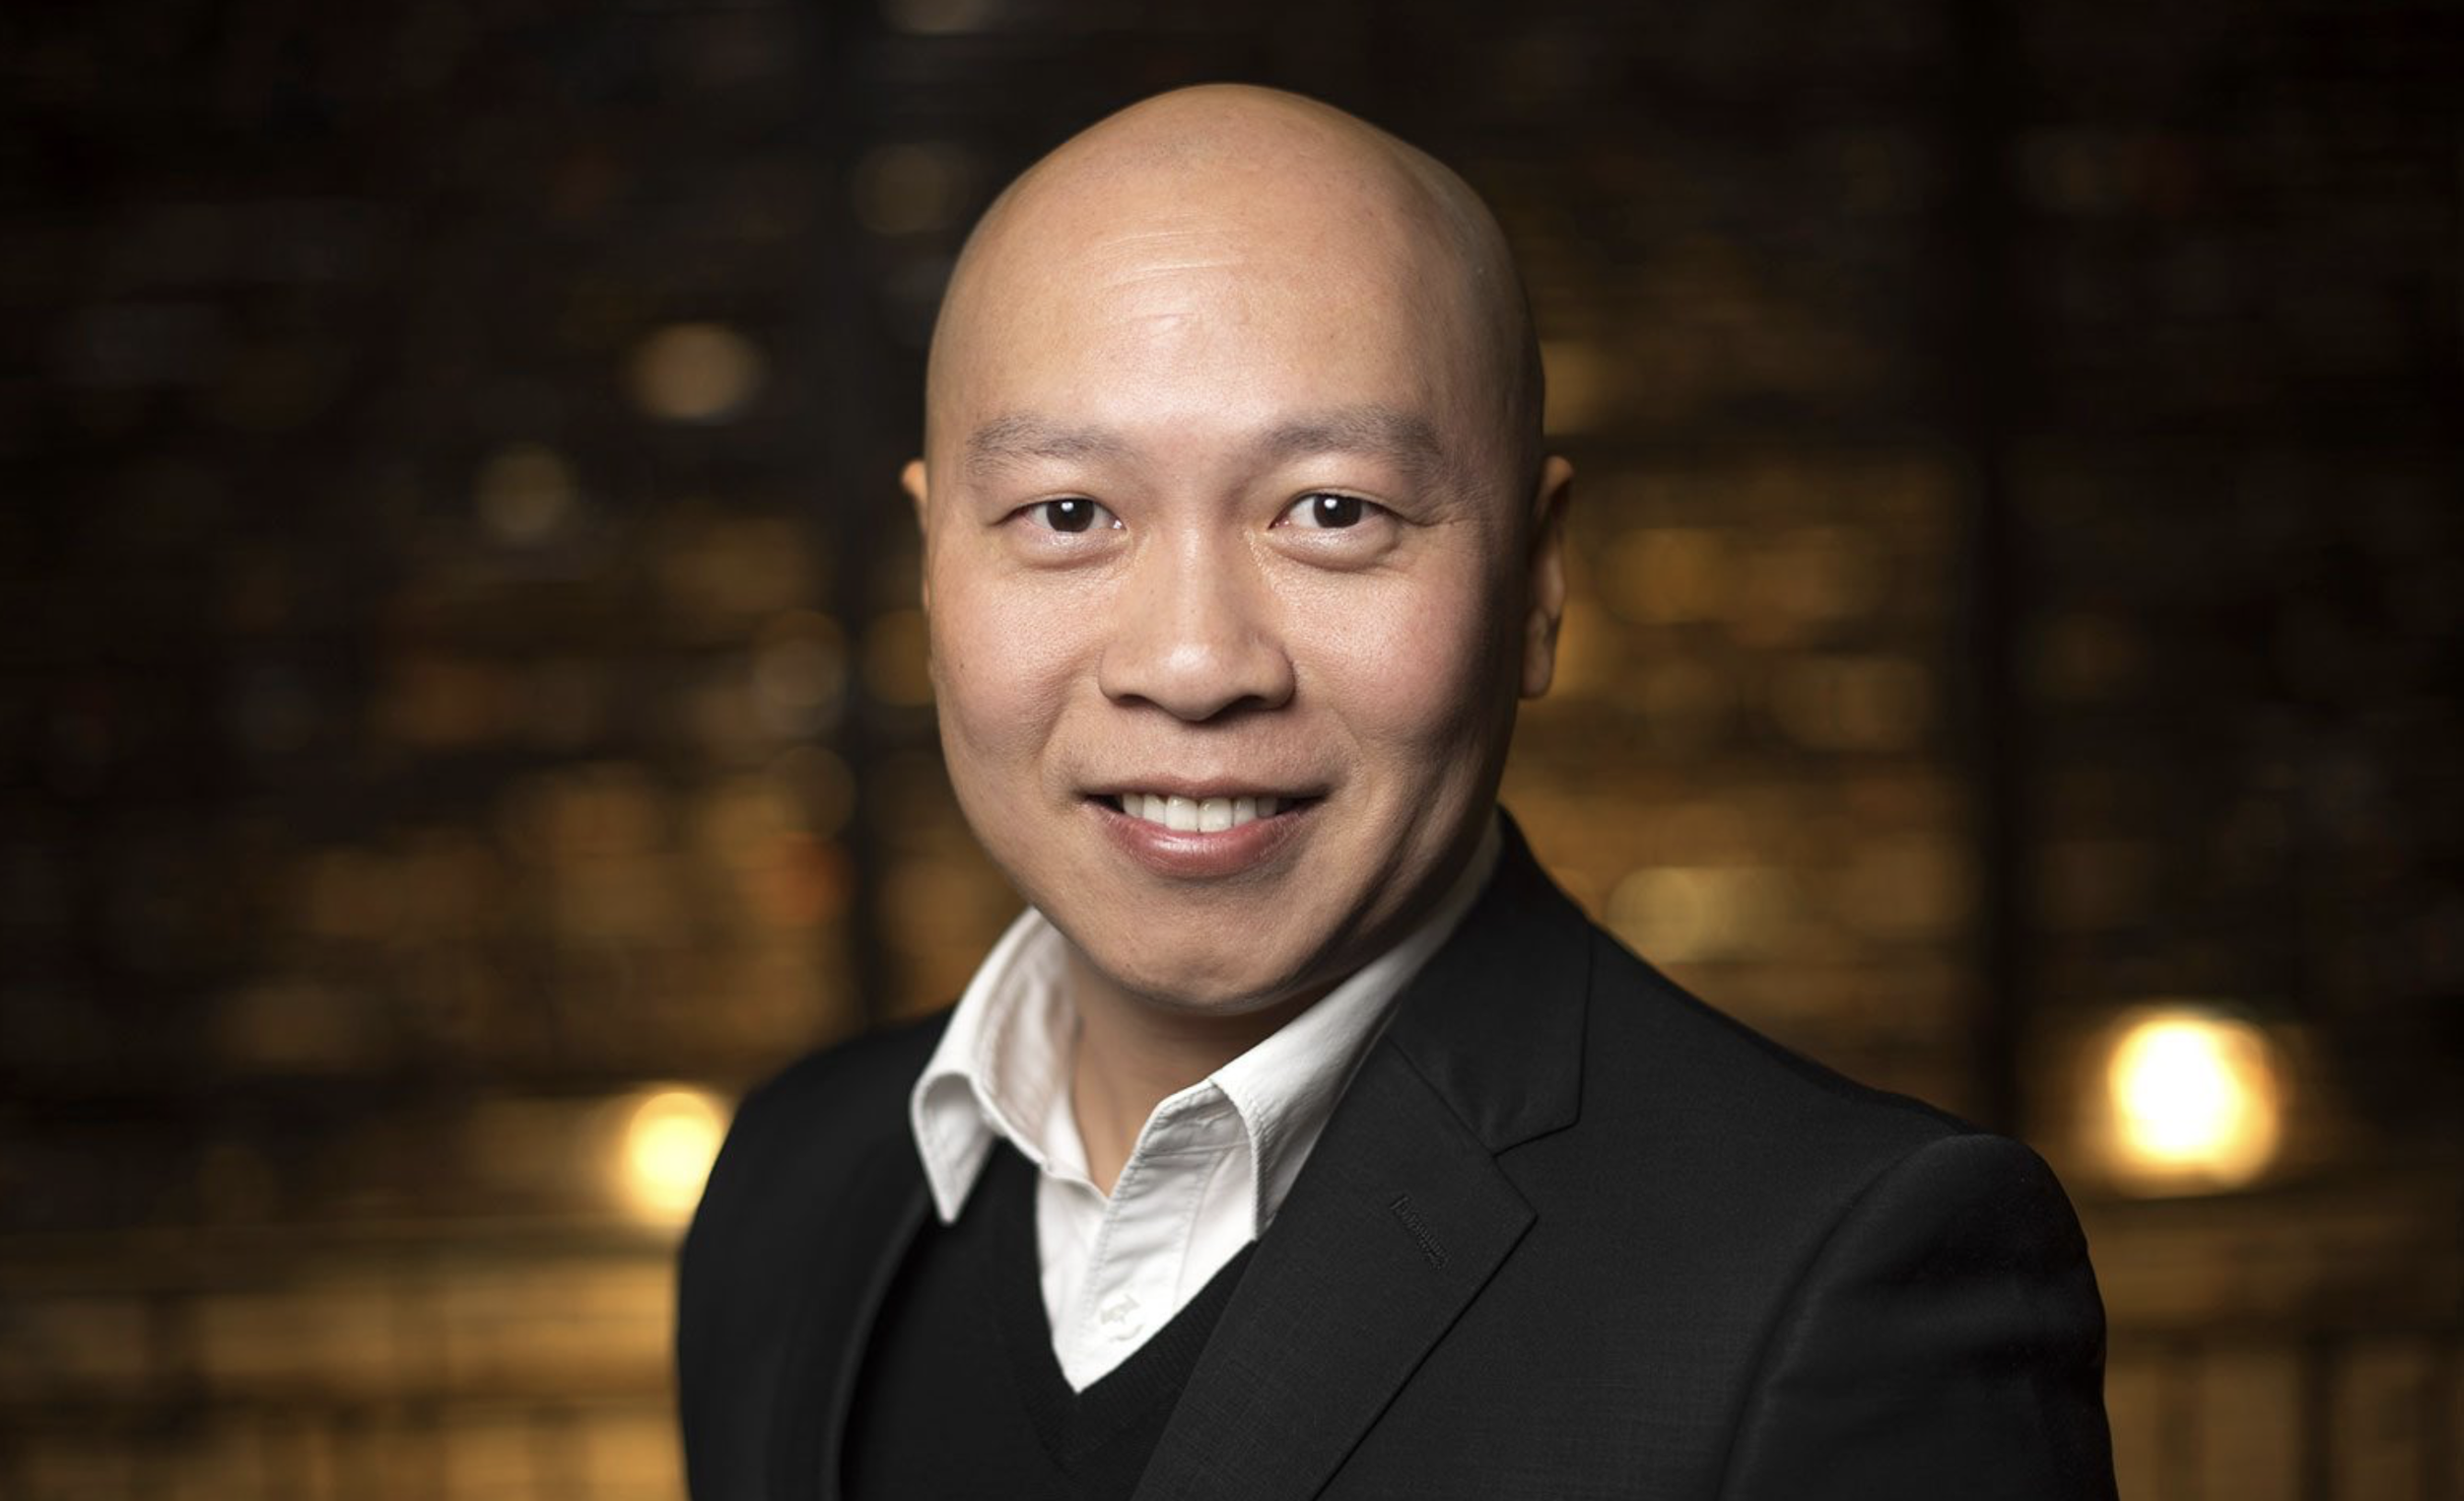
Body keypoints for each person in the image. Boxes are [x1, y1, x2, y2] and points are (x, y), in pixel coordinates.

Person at [677, 84, 2117, 1500]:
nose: (1192, 662)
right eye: (1069, 514)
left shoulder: (1843, 1273)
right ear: (933, 569)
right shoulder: (795, 1182)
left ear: (1539, 579)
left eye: (1332, 511)